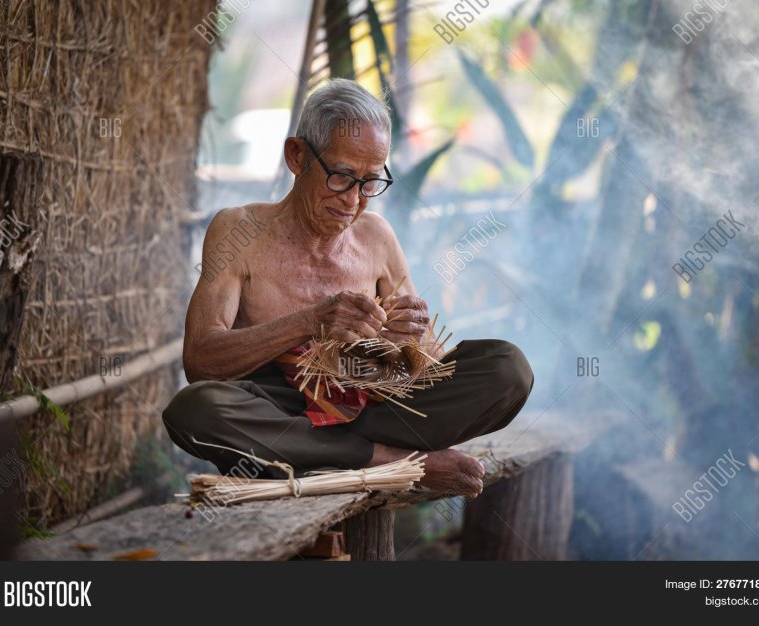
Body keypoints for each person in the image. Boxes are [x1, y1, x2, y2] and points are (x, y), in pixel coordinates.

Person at [162, 78, 534, 498]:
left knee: (508, 368)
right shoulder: (240, 230)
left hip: (371, 410)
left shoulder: (377, 236)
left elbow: (431, 360)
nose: (354, 199)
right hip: (280, 411)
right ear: (297, 156)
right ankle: (396, 461)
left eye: (370, 182)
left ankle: (333, 455)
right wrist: (310, 321)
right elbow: (200, 360)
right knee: (196, 409)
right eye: (341, 176)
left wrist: (405, 343)